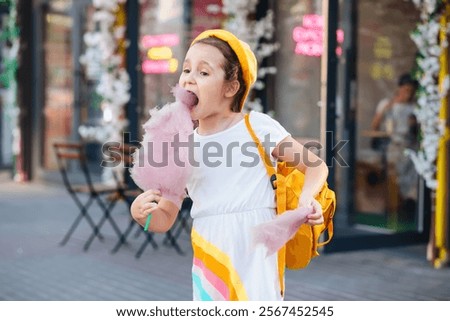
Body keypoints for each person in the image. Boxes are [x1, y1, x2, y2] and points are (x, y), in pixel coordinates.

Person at [130, 29, 329, 301]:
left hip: (257, 248)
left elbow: (316, 166)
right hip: (210, 249)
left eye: (203, 72)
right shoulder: (180, 144)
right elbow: (164, 218)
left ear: (231, 87)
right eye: (186, 70)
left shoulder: (257, 127)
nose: (189, 79)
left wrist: (307, 199)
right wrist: (143, 214)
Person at [370, 73, 419, 218]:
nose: (408, 94)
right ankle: (395, 206)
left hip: (411, 147)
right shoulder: (387, 104)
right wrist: (390, 105)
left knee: (413, 173)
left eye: (411, 91)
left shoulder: (415, 108)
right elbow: (375, 125)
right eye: (406, 90)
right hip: (393, 146)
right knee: (394, 171)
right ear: (400, 88)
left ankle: (408, 204)